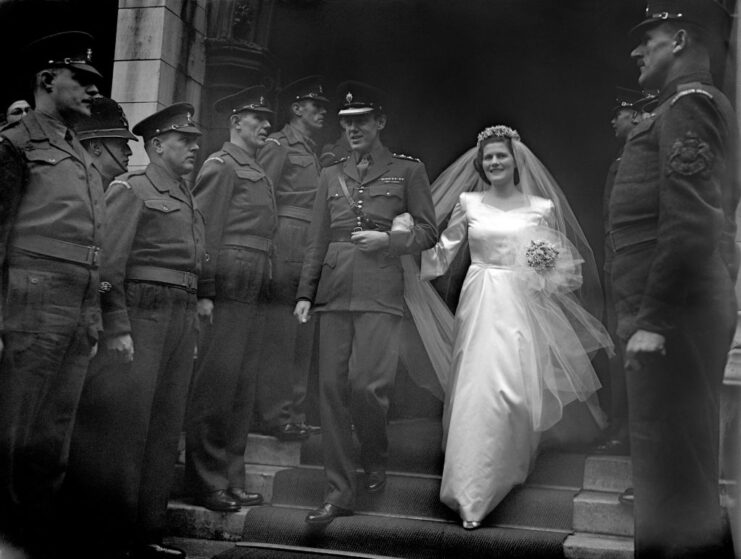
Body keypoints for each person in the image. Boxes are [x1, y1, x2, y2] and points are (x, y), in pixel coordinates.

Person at [419, 125, 612, 529]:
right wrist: (408, 256)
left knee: (515, 389)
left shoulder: (539, 208)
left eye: (500, 155)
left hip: (522, 303)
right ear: (479, 163)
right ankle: (470, 488)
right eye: (487, 157)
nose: (494, 163)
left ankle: (507, 466)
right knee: (477, 385)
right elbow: (443, 253)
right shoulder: (469, 203)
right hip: (480, 298)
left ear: (515, 159)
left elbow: (556, 262)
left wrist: (547, 271)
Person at [610, 1, 738, 556]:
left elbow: (689, 224)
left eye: (649, 38)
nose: (637, 51)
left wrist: (656, 320)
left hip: (674, 319)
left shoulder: (688, 106)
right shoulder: (682, 107)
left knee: (674, 485)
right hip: (682, 312)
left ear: (680, 39)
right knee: (676, 479)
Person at [66, 103, 207, 559]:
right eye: (184, 141)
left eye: (194, 140)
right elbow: (109, 264)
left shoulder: (184, 193)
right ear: (157, 145)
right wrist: (118, 326)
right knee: (129, 427)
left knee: (166, 425)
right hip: (142, 314)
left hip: (179, 315)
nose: (194, 147)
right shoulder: (133, 188)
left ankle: (148, 531)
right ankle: (115, 534)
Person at [294, 81, 437, 525]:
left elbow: (429, 233)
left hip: (380, 289)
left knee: (366, 387)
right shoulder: (329, 172)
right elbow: (317, 239)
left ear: (380, 123)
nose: (353, 128)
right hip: (334, 290)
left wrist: (390, 239)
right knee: (332, 392)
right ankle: (339, 492)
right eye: (346, 122)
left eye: (361, 121)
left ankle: (374, 450)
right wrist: (304, 293)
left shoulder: (407, 171)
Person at [0, 31, 103, 558]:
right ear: (46, 80)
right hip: (30, 303)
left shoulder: (78, 151)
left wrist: (91, 312)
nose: (92, 90)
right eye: (81, 79)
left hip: (74, 306)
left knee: (53, 439)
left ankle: (34, 538)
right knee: (14, 432)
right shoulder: (16, 142)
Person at [185, 86, 273, 513]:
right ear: (236, 123)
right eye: (258, 119)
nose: (266, 125)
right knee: (216, 387)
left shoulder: (253, 167)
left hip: (253, 284)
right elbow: (204, 233)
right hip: (228, 286)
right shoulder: (221, 166)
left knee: (240, 387)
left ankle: (232, 478)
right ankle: (205, 481)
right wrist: (204, 291)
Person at [255, 75, 329, 442]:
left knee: (302, 331)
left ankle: (295, 412)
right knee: (281, 335)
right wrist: (270, 249)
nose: (322, 113)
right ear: (297, 109)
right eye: (316, 107)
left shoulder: (312, 150)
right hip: (285, 239)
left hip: (309, 243)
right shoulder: (279, 145)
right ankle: (275, 413)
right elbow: (262, 198)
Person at [593, 88, 653, 456]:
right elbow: (610, 222)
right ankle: (622, 427)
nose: (614, 120)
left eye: (620, 113)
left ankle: (636, 430)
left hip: (645, 270)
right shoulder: (621, 161)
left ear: (636, 115)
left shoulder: (647, 159)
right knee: (620, 349)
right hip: (620, 268)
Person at [76, 96, 136, 188]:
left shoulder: (120, 190)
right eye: (122, 144)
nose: (129, 152)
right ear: (96, 147)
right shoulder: (71, 189)